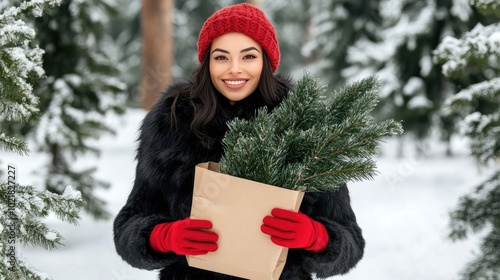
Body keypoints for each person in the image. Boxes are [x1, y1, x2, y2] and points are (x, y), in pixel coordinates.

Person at [113, 3, 365, 280]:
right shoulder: (172, 119)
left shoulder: (304, 123)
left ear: (266, 61)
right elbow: (128, 225)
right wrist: (162, 237)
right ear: (207, 61)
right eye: (222, 58)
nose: (235, 69)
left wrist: (316, 236)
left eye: (248, 57)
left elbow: (350, 243)